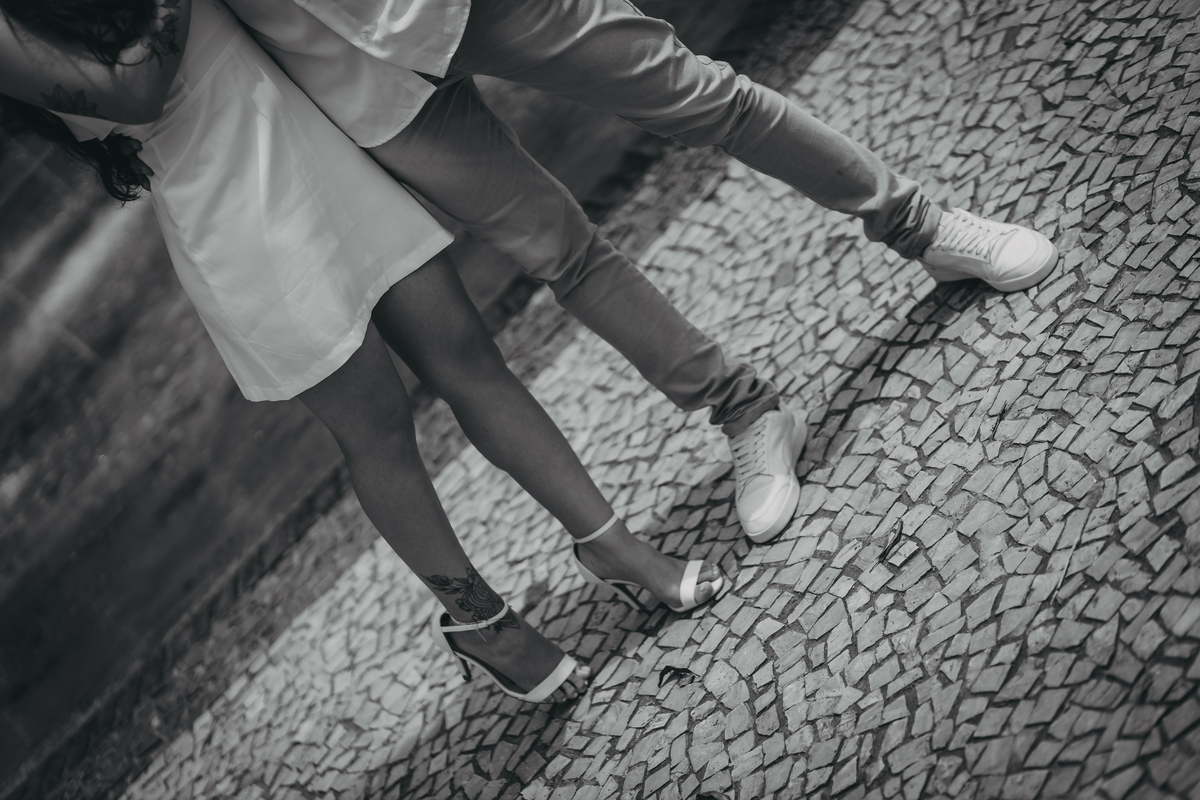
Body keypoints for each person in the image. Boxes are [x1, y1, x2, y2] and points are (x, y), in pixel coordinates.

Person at [0, 0, 729, 705]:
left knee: (472, 361)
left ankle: (612, 546)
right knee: (381, 433)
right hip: (237, 229)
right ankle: (484, 625)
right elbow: (135, 88)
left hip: (320, 158)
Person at [220, 0, 1060, 544]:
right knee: (559, 254)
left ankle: (923, 226)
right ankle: (748, 412)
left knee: (704, 97)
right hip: (348, 80)